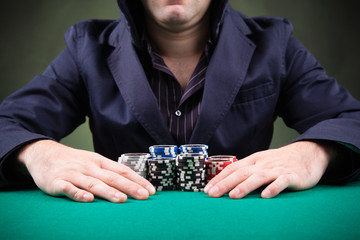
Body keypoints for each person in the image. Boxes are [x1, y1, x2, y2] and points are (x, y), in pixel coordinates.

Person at [0, 0, 359, 203]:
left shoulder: (275, 44)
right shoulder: (86, 48)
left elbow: (351, 119)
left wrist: (315, 152)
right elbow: (6, 125)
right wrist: (37, 152)